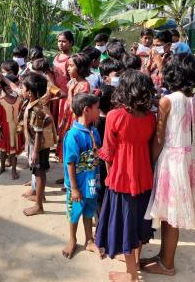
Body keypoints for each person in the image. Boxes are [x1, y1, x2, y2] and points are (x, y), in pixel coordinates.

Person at [142, 54, 195, 276]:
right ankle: (163, 256)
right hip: (187, 160)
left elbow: (160, 138)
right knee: (171, 214)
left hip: (172, 161)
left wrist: (149, 162)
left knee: (170, 216)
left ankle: (167, 264)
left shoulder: (167, 101)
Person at [95, 70, 156, 282]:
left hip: (121, 177)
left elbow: (108, 153)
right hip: (144, 174)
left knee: (125, 224)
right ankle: (135, 263)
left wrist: (110, 176)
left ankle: (131, 275)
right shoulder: (150, 117)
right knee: (138, 221)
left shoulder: (114, 116)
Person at [62, 93, 103, 259]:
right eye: (96, 108)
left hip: (92, 182)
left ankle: (89, 240)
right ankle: (72, 240)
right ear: (86, 110)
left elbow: (98, 152)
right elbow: (70, 163)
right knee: (74, 212)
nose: (99, 112)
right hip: (77, 185)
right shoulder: (73, 135)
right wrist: (74, 188)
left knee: (89, 211)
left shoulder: (94, 131)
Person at [22, 72, 57, 216]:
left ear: (30, 92)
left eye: (23, 88)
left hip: (39, 146)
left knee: (39, 172)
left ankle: (39, 205)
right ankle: (39, 196)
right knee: (37, 171)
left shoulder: (37, 109)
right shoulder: (33, 104)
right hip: (35, 145)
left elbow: (38, 132)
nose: (22, 90)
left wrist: (35, 151)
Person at [57, 53, 91, 164]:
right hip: (68, 120)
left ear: (80, 68)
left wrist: (70, 91)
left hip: (76, 122)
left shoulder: (84, 85)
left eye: (71, 66)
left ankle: (74, 176)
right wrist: (63, 120)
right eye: (68, 65)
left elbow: (75, 107)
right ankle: (67, 174)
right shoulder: (73, 81)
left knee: (75, 148)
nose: (68, 68)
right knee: (67, 147)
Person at [0, 74, 23, 180]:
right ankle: (2, 167)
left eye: (11, 87)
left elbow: (22, 116)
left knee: (13, 152)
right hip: (5, 130)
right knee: (2, 151)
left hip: (16, 129)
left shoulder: (20, 100)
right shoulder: (1, 101)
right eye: (7, 88)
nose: (9, 89)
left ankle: (14, 170)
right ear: (3, 88)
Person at [96, 85, 116, 216]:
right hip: (110, 161)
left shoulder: (94, 121)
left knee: (99, 192)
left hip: (97, 161)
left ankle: (98, 219)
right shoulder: (113, 120)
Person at [53, 31, 73, 127]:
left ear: (71, 43)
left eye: (64, 41)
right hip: (55, 93)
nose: (60, 44)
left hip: (65, 96)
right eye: (59, 41)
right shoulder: (56, 57)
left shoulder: (71, 60)